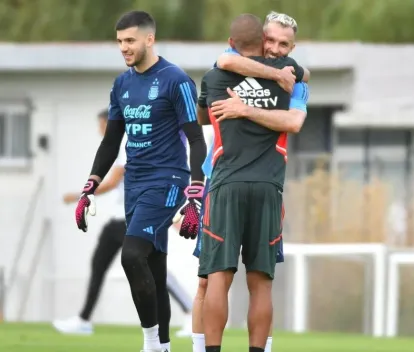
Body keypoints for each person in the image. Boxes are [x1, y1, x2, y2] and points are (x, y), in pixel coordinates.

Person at [73, 11, 206, 352]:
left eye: (130, 40)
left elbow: (196, 138)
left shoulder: (176, 80)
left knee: (131, 255)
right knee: (152, 268)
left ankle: (149, 343)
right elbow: (110, 142)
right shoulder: (122, 84)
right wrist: (90, 186)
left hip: (168, 181)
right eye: (119, 42)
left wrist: (195, 192)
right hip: (135, 183)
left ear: (149, 39)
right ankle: (163, 345)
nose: (124, 48)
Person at [189, 11, 309, 352]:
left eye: (283, 44)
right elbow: (292, 117)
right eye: (270, 40)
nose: (274, 48)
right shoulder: (290, 83)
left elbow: (201, 117)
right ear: (261, 40)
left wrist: (244, 109)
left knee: (216, 278)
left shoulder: (216, 76)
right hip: (268, 188)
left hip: (225, 186)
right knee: (261, 283)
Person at [53, 111, 194, 339]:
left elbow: (111, 183)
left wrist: (81, 194)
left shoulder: (129, 144)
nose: (100, 131)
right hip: (119, 220)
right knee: (99, 265)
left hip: (132, 219)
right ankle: (84, 319)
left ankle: (190, 312)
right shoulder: (122, 145)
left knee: (154, 268)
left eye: (102, 126)